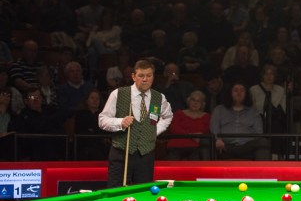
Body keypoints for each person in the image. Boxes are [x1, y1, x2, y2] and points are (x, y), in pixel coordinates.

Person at [98, 59, 173, 188]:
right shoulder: (118, 94)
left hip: (145, 156)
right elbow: (102, 120)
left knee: (143, 193)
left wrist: (154, 131)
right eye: (141, 76)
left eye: (149, 75)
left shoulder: (159, 98)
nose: (145, 79)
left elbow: (167, 116)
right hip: (122, 154)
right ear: (133, 76)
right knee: (116, 192)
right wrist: (120, 122)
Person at [209, 81, 270, 160]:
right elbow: (214, 127)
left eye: (242, 90)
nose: (239, 93)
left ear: (246, 94)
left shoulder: (253, 111)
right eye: (236, 90)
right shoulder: (219, 109)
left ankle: (262, 168)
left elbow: (259, 132)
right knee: (206, 142)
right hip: (225, 145)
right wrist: (218, 139)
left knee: (263, 142)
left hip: (247, 146)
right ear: (230, 93)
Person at [250, 65, 288, 158]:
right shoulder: (253, 89)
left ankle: (275, 154)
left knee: (276, 124)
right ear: (262, 76)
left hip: (274, 118)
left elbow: (283, 108)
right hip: (258, 117)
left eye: (271, 74)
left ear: (275, 76)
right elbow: (251, 108)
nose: (269, 77)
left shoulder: (281, 90)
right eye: (266, 74)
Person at [166, 90, 211, 161]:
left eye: (198, 101)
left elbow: (206, 131)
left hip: (195, 147)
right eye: (193, 100)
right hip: (177, 145)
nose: (195, 103)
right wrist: (191, 135)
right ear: (189, 101)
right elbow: (174, 129)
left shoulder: (206, 116)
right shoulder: (179, 113)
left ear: (202, 104)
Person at [74, 89, 108, 160]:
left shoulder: (104, 116)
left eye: (97, 99)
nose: (95, 100)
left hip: (100, 146)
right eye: (92, 98)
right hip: (84, 145)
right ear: (87, 100)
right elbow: (80, 130)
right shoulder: (80, 115)